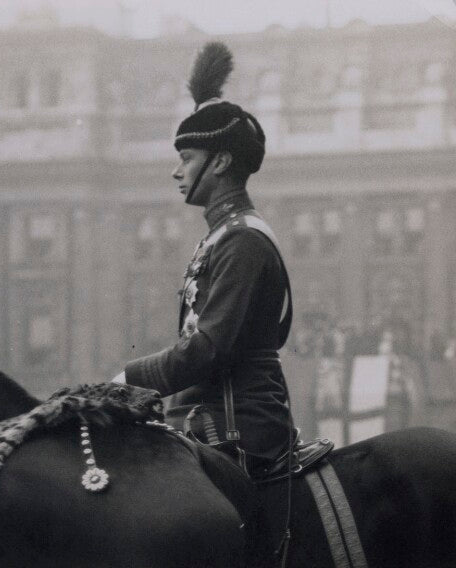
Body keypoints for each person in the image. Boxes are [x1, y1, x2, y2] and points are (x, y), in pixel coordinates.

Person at [111, 42, 295, 477]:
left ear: (222, 161)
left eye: (187, 159)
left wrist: (126, 379)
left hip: (237, 430)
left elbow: (207, 349)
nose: (177, 172)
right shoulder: (222, 237)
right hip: (203, 419)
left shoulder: (242, 240)